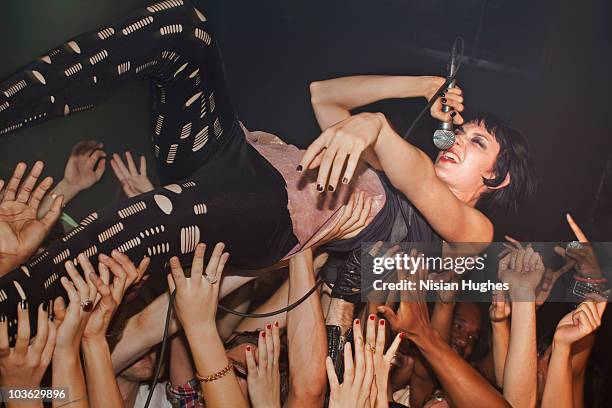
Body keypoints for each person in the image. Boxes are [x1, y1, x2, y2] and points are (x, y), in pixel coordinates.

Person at [0, 0, 534, 340]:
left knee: (143, 217)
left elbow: (412, 169)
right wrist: (419, 86)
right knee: (185, 29)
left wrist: (371, 126)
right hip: (237, 154)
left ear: (497, 179)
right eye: (462, 132)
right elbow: (324, 97)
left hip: (265, 214)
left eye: (477, 141)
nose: (458, 140)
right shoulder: (388, 167)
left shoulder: (470, 233)